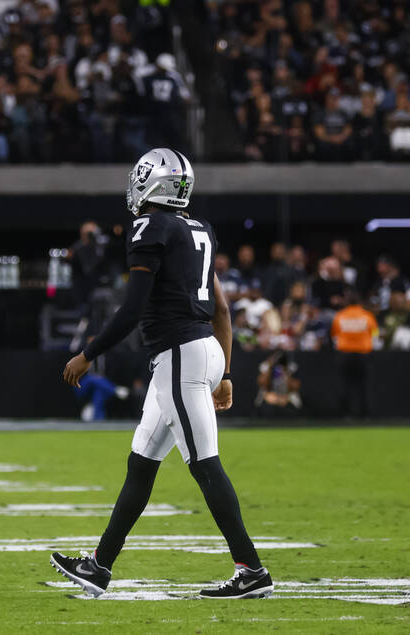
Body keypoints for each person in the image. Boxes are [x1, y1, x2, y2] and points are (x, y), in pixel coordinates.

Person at [50, 148, 273, 600]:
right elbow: (222, 309)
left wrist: (87, 354)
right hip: (201, 353)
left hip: (180, 355)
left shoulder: (150, 226)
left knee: (205, 465)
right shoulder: (198, 228)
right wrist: (226, 373)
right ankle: (98, 566)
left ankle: (251, 569)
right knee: (141, 463)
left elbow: (133, 310)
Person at [330, 291, 378, 417]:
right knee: (365, 385)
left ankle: (345, 414)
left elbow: (334, 336)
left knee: (344, 385)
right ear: (360, 302)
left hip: (345, 353)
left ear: (347, 302)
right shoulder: (367, 316)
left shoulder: (340, 316)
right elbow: (375, 335)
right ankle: (366, 414)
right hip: (363, 353)